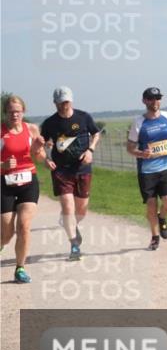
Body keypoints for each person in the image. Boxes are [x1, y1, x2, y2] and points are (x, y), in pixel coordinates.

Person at [40, 87, 100, 261]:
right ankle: (74, 245)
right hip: (61, 170)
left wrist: (90, 150)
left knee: (81, 210)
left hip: (82, 169)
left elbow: (96, 134)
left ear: (71, 100)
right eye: (60, 103)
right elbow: (41, 144)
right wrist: (45, 158)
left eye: (66, 102)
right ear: (55, 103)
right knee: (67, 206)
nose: (63, 106)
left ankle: (71, 224)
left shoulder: (83, 117)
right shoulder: (50, 123)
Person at [126, 87, 167, 251]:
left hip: (166, 167)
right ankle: (155, 237)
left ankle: (162, 218)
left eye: (157, 98)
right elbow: (130, 148)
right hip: (147, 171)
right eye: (151, 98)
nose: (155, 101)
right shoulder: (138, 122)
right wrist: (141, 153)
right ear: (144, 101)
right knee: (151, 205)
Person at [1, 95, 47, 283]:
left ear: (23, 112)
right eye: (11, 112)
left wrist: (38, 149)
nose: (14, 115)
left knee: (24, 225)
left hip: (28, 181)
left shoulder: (32, 129)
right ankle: (2, 243)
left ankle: (20, 268)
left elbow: (40, 158)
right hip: (5, 183)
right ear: (5, 112)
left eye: (18, 111)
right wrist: (3, 165)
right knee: (7, 232)